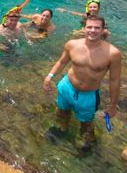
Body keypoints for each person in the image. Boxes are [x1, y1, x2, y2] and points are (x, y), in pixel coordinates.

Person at [43, 16, 122, 150]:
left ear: (103, 30)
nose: (92, 30)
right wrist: (49, 76)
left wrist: (113, 105)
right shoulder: (72, 44)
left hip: (88, 95)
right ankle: (62, 129)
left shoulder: (113, 53)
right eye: (89, 27)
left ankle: (86, 139)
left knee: (86, 122)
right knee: (62, 111)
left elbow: (114, 80)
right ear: (84, 28)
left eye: (97, 27)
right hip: (66, 86)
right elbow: (62, 62)